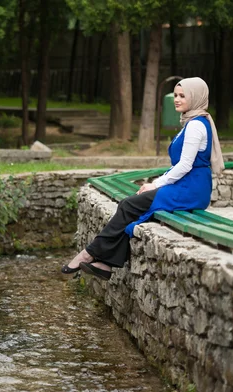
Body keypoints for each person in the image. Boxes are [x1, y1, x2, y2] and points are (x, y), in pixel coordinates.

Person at [61, 77, 224, 279]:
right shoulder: (192, 121)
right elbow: (182, 166)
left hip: (190, 189)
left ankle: (89, 253)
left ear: (196, 97)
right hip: (189, 186)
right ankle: (104, 264)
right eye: (175, 95)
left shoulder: (195, 126)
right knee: (132, 207)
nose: (177, 99)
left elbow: (184, 165)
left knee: (129, 205)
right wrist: (157, 183)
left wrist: (155, 184)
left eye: (183, 96)